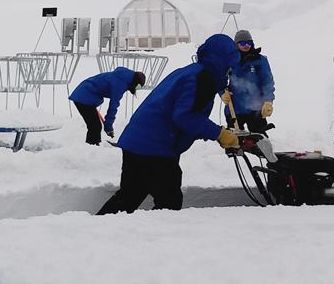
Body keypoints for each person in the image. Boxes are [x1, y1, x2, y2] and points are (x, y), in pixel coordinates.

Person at [97, 34, 241, 215]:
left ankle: (95, 230)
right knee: (169, 202)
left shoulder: (192, 71)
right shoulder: (202, 78)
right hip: (155, 147)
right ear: (222, 61)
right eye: (229, 65)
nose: (229, 70)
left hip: (139, 141)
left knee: (129, 196)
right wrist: (219, 134)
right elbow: (184, 116)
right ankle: (156, 240)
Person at [69, 67, 146, 145]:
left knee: (95, 125)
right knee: (95, 126)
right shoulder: (120, 84)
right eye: (138, 87)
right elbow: (113, 106)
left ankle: (93, 146)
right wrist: (108, 126)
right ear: (135, 82)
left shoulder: (121, 78)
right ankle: (91, 147)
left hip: (85, 95)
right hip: (84, 96)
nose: (136, 89)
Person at [221, 29, 275, 135]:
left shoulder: (260, 60)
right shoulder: (229, 61)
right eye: (242, 43)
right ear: (236, 44)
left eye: (249, 42)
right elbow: (219, 78)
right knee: (234, 142)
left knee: (259, 140)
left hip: (255, 108)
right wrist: (222, 93)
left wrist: (268, 101)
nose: (246, 45)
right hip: (234, 109)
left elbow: (267, 82)